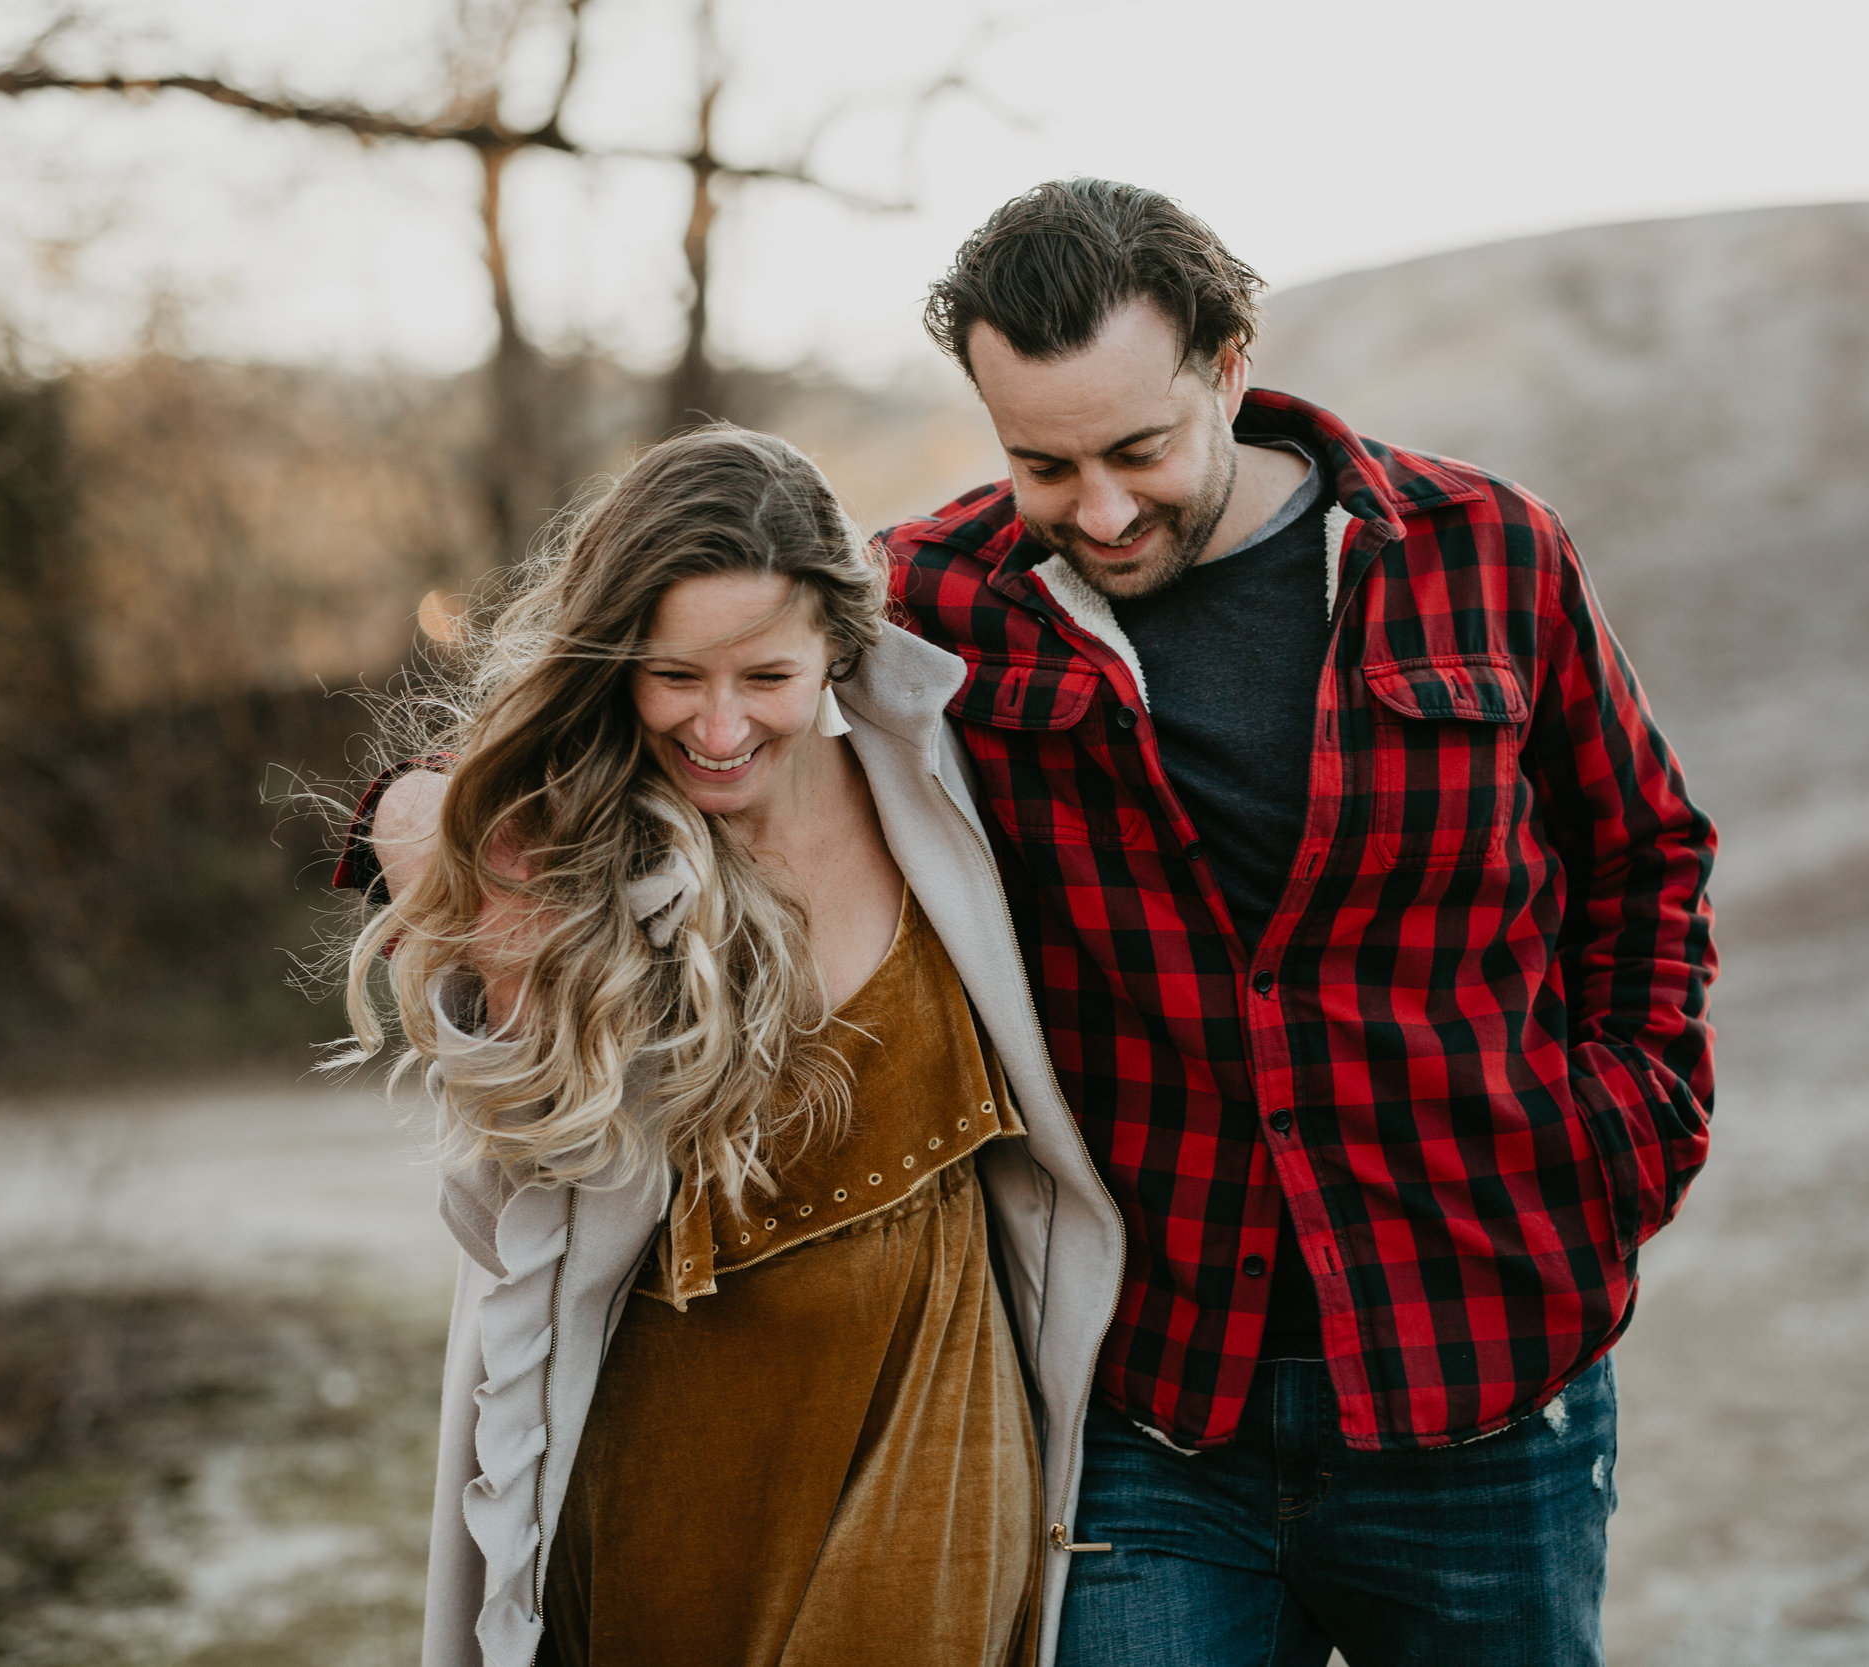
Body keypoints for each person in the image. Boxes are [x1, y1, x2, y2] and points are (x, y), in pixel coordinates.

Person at [354, 183, 1718, 1665]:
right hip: (1155, 1413)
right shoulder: (939, 602)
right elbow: (698, 661)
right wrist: (420, 806)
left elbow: (1646, 851)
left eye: (1141, 449)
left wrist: (1622, 1141)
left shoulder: (1487, 554)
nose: (1105, 509)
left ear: (1229, 361)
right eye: (1044, 463)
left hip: (1484, 1375)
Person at [335, 426, 1126, 1667]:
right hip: (674, 1441)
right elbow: (508, 1206)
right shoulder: (578, 859)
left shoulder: (939, 785)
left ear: (837, 649)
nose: (715, 725)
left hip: (933, 1408)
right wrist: (428, 834)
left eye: (764, 675)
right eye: (673, 676)